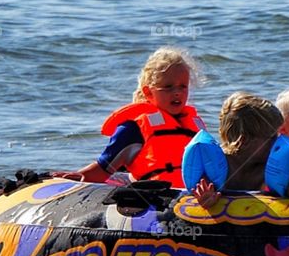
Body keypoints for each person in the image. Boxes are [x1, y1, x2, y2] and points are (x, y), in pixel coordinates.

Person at [61, 47, 205, 188]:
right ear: (148, 93)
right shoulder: (133, 129)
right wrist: (71, 181)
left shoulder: (197, 127)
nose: (177, 93)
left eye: (183, 86)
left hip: (196, 198)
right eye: (168, 87)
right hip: (157, 197)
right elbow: (102, 169)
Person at [183, 92, 289, 213]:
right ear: (245, 140)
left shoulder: (265, 166)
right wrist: (205, 197)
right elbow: (203, 188)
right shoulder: (215, 163)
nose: (278, 143)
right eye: (272, 137)